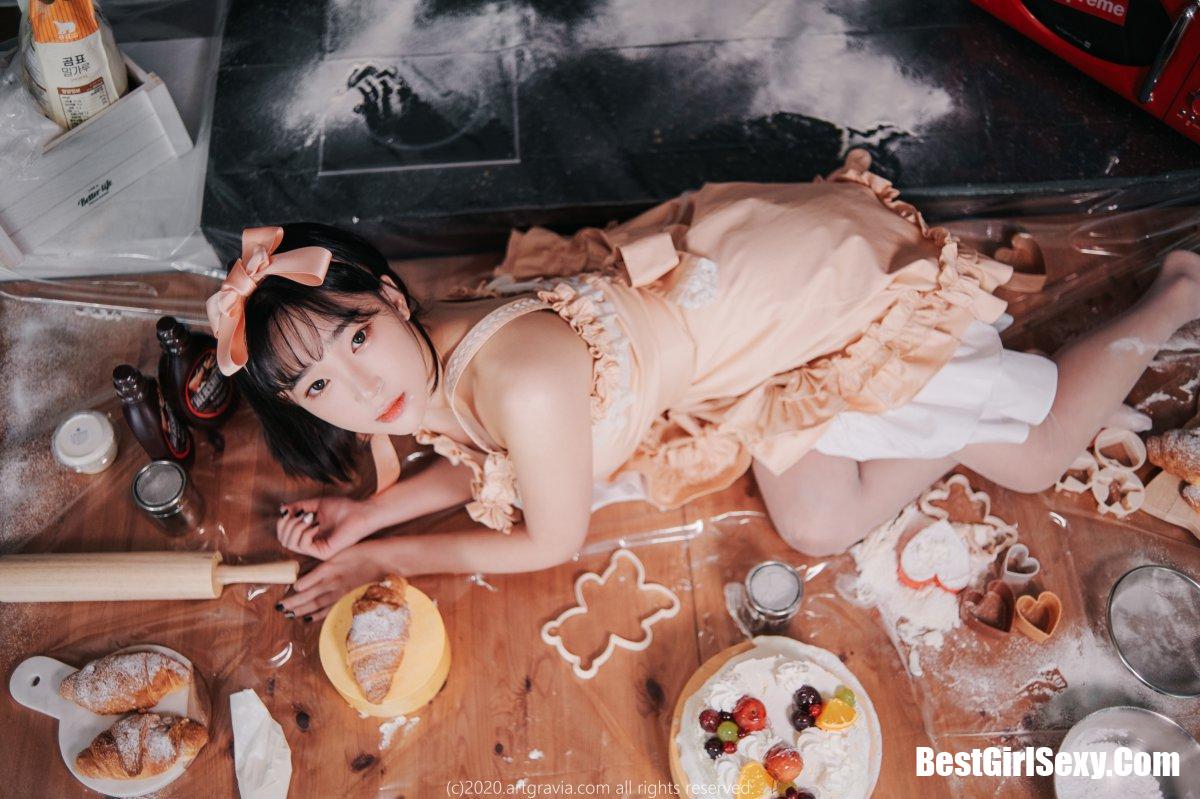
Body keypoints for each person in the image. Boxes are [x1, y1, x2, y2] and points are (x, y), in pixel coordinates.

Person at [208, 151, 1200, 621]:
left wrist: (388, 556)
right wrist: (369, 512)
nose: (358, 388)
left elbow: (548, 536)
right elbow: (497, 461)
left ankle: (1175, 291)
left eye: (357, 337)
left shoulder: (525, 380)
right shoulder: (425, 369)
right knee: (815, 523)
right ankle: (949, 407)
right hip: (725, 336)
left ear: (388, 297)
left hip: (803, 300)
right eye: (317, 385)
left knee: (1033, 456)